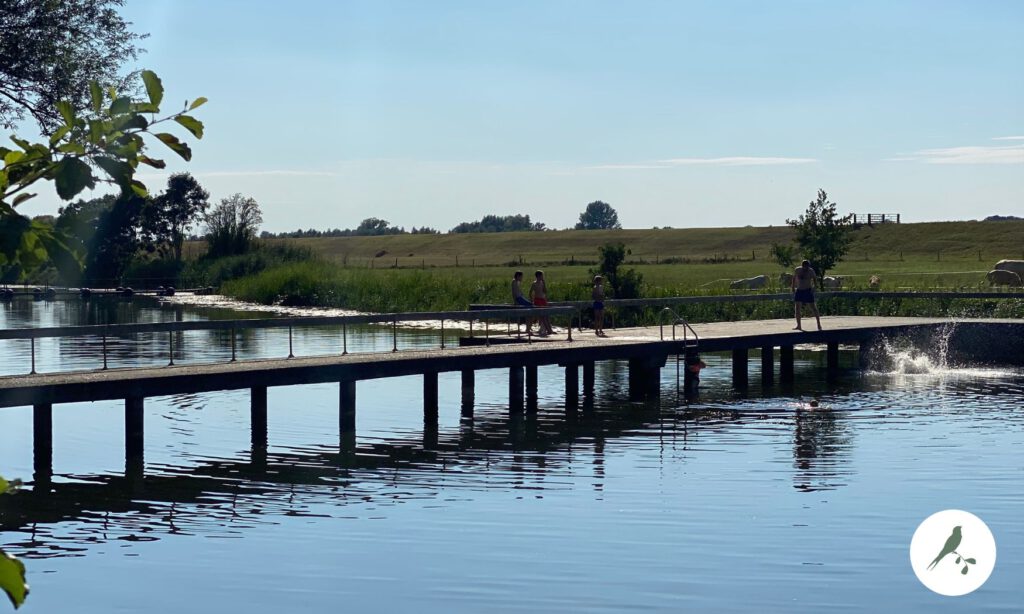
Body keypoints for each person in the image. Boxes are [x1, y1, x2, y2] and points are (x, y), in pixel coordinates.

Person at [791, 259, 822, 331]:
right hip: (799, 290)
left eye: (807, 267)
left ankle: (819, 324)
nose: (806, 268)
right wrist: (792, 287)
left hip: (808, 290)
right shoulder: (797, 270)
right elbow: (793, 278)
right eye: (805, 267)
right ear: (802, 266)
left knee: (813, 307)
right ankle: (799, 325)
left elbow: (815, 279)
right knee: (797, 308)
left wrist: (815, 287)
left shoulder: (811, 271)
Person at [529, 270, 554, 336]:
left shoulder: (542, 283)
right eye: (541, 275)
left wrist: (544, 283)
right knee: (542, 316)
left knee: (547, 315)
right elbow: (530, 292)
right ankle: (548, 330)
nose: (542, 277)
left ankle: (549, 329)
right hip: (537, 300)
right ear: (538, 276)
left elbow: (545, 291)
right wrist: (532, 300)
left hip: (543, 299)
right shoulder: (534, 283)